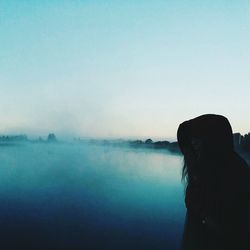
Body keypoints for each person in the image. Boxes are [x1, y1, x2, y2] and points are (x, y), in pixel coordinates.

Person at [177, 114, 250, 250]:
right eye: (192, 139)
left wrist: (205, 216)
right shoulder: (203, 170)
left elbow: (235, 228)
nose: (194, 143)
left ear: (213, 141)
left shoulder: (235, 173)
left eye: (198, 138)